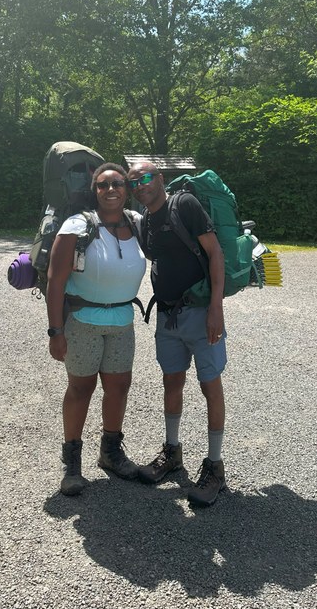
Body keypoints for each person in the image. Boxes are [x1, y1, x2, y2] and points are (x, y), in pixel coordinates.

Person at [126, 161, 227, 506]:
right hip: (167, 315)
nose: (140, 185)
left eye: (146, 178)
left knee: (210, 385)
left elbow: (215, 253)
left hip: (200, 311)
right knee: (172, 381)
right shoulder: (146, 220)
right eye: (134, 182)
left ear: (160, 179)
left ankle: (215, 467)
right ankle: (172, 452)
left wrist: (216, 307)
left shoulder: (184, 204)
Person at [46, 163, 146, 496]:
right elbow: (55, 281)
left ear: (126, 188)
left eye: (117, 183)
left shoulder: (137, 222)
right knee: (81, 389)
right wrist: (55, 331)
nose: (111, 190)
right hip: (82, 322)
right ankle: (72, 464)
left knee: (118, 388)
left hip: (122, 322)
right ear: (95, 191)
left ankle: (110, 453)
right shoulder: (78, 225)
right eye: (103, 185)